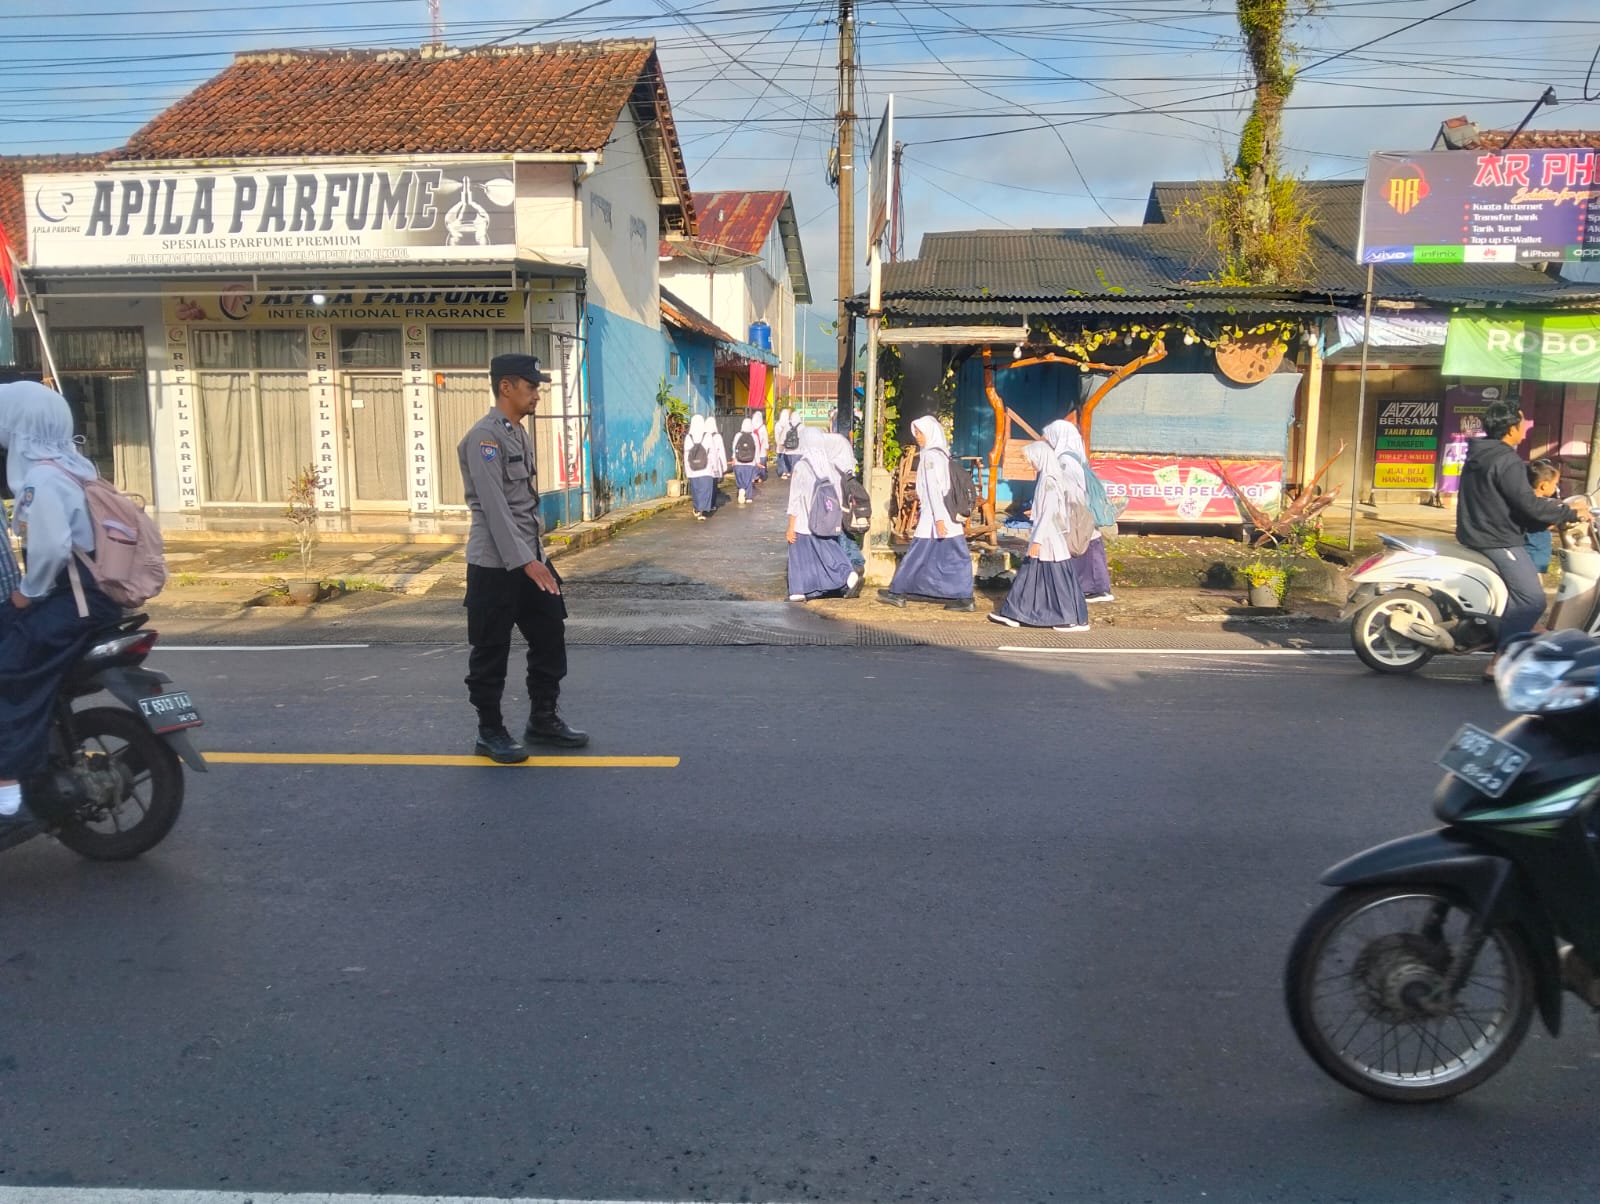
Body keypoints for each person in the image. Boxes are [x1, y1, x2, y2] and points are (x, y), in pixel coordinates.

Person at [0, 382, 123, 818]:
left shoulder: (41, 478)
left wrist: (26, 593)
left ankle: (8, 782)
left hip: (75, 600)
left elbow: (51, 548)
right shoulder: (77, 467)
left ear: (20, 426)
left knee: (10, 669)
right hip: (95, 597)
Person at [459, 354, 587, 764]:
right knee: (490, 649)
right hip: (494, 565)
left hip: (531, 557)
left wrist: (537, 558)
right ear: (506, 387)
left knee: (550, 633)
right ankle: (489, 731)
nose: (536, 395)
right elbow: (495, 509)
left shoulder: (517, 433)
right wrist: (527, 562)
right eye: (531, 387)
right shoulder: (484, 439)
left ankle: (543, 719)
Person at [1456, 400, 1589, 679]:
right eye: (1522, 423)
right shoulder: (1506, 460)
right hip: (1498, 539)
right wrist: (1568, 512)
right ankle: (1499, 661)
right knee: (1532, 600)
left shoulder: (1480, 453)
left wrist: (1554, 512)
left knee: (1523, 599)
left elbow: (1509, 502)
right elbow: (1528, 504)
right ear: (1510, 429)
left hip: (1478, 532)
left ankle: (1529, 638)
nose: (1526, 427)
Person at [989, 441, 1089, 632]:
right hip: (1047, 537)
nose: (1030, 463)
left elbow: (1049, 512)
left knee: (1051, 579)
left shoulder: (1049, 480)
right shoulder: (1047, 478)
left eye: (1031, 459)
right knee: (1033, 577)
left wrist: (1037, 540)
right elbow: (1047, 508)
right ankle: (1015, 613)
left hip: (1047, 538)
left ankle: (1067, 618)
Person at [878, 416, 975, 611]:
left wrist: (938, 518)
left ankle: (898, 592)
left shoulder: (929, 457)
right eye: (916, 433)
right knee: (956, 556)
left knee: (917, 556)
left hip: (935, 515)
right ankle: (964, 597)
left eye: (920, 433)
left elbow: (933, 490)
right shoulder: (942, 454)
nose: (917, 437)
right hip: (947, 514)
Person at [1044, 417, 1115, 602]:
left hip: (1076, 512)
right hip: (1084, 511)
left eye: (1051, 436)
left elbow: (1069, 491)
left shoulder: (1065, 461)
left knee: (1079, 547)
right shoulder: (1077, 456)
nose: (1048, 441)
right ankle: (1096, 588)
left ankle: (1094, 588)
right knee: (1090, 545)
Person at [785, 427, 858, 601]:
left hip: (804, 521)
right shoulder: (828, 465)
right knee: (828, 551)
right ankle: (846, 574)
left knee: (799, 555)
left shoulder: (801, 466)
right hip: (824, 519)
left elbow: (795, 499)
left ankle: (799, 590)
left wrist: (790, 526)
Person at [824, 431, 866, 574]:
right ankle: (856, 564)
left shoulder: (832, 467)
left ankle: (851, 567)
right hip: (847, 507)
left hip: (838, 508)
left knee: (841, 537)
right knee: (846, 536)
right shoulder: (847, 465)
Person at [1524, 459, 1561, 575]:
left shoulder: (1529, 501)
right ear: (1544, 485)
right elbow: (1542, 524)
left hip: (1533, 552)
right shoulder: (1538, 506)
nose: (1556, 487)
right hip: (1534, 553)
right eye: (1555, 484)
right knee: (1534, 581)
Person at [683, 413, 719, 520]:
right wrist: (715, 468)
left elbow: (686, 455)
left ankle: (697, 508)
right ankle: (702, 511)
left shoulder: (688, 437)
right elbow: (712, 453)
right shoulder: (707, 436)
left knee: (696, 491)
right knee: (705, 490)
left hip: (693, 470)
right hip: (706, 469)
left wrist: (687, 470)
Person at [731, 416, 765, 504]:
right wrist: (757, 461)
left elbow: (734, 447)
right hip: (750, 462)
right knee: (749, 479)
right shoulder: (754, 436)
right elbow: (756, 449)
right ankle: (749, 497)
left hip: (738, 461)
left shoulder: (738, 435)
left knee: (740, 477)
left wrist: (734, 457)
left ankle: (741, 488)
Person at [775, 408, 802, 477]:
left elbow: (783, 437)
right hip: (798, 450)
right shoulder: (802, 426)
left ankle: (787, 473)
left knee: (788, 463)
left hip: (788, 450)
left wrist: (781, 444)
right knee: (796, 466)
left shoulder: (787, 425)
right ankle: (795, 476)